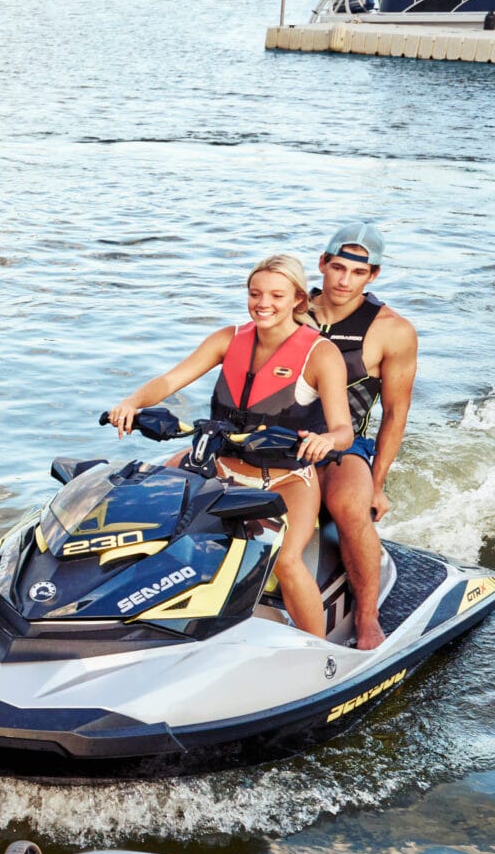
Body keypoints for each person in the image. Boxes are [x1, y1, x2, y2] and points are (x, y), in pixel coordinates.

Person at [105, 253, 355, 638]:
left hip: (286, 481)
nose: (263, 304)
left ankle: (319, 653)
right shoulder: (228, 339)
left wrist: (326, 440)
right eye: (255, 294)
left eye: (276, 295)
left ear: (298, 301)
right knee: (144, 511)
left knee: (287, 562)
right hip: (218, 470)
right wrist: (132, 402)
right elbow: (170, 382)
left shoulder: (320, 354)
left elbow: (343, 430)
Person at [307, 221, 417, 650]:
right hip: (278, 436)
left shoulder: (392, 330)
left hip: (342, 446)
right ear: (322, 264)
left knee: (350, 506)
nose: (344, 280)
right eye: (337, 268)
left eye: (358, 272)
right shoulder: (290, 311)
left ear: (373, 275)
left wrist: (378, 484)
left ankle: (367, 617)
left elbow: (395, 413)